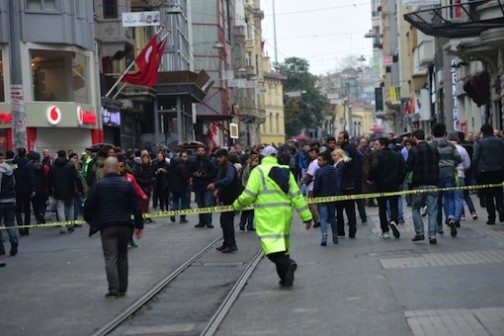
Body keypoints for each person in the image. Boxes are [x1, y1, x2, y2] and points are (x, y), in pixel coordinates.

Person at [233, 145, 312, 287]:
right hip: (285, 215)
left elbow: (249, 195)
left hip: (267, 215)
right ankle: (285, 279)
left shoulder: (258, 171)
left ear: (263, 157)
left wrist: (236, 206)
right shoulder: (286, 171)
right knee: (282, 247)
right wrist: (306, 217)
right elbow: (297, 196)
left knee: (270, 249)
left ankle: (288, 264)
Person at [83, 157, 143, 298]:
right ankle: (123, 288)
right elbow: (136, 206)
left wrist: (91, 221)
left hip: (107, 226)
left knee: (110, 257)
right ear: (118, 168)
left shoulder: (99, 185)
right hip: (124, 225)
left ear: (105, 168)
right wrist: (139, 226)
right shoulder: (126, 184)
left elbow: (89, 205)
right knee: (123, 256)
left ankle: (113, 289)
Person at [406, 130, 440, 244]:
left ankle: (420, 233)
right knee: (432, 210)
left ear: (414, 137)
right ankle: (432, 236)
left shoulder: (413, 150)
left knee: (415, 208)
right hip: (433, 183)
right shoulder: (434, 149)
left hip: (418, 184)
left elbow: (408, 167)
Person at [369, 137, 405, 239]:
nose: (374, 146)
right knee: (394, 205)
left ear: (382, 145)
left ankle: (384, 230)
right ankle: (393, 220)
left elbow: (374, 167)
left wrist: (371, 178)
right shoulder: (397, 154)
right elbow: (403, 169)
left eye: (376, 144)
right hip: (394, 184)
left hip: (381, 185)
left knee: (382, 208)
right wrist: (399, 181)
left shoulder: (378, 155)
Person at [430, 123, 461, 236]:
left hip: (436, 174)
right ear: (445, 133)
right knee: (450, 197)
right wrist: (452, 165)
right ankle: (451, 217)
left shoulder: (430, 146)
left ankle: (439, 226)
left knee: (436, 201)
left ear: (432, 134)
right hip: (449, 172)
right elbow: (459, 159)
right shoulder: (451, 145)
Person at [208, 149, 242, 253]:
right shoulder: (222, 167)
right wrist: (218, 190)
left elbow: (229, 179)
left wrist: (216, 185)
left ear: (226, 157)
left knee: (227, 222)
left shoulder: (229, 167)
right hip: (226, 197)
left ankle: (231, 244)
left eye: (221, 157)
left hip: (231, 198)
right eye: (217, 157)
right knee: (224, 222)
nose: (218, 159)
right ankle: (226, 243)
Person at [473, 124, 504, 224]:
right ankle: (501, 212)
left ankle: (491, 217)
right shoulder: (500, 141)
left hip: (484, 172)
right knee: (499, 192)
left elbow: (475, 158)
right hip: (499, 170)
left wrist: (475, 170)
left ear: (482, 132)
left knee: (488, 195)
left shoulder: (480, 143)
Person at [48, 150, 84, 234]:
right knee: (70, 207)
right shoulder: (70, 165)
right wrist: (80, 189)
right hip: (69, 189)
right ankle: (70, 225)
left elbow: (49, 180)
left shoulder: (53, 166)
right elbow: (77, 178)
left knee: (60, 208)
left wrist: (50, 190)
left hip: (58, 190)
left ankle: (63, 227)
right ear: (65, 156)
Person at [117, 155, 147, 248]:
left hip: (129, 203)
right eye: (118, 166)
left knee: (130, 223)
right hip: (118, 205)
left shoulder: (130, 177)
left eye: (121, 166)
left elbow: (136, 187)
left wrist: (142, 194)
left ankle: (129, 238)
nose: (120, 168)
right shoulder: (114, 178)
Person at [313, 151, 340, 246]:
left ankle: (324, 237)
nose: (318, 162)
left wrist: (314, 195)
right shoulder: (335, 170)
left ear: (325, 161)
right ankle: (335, 236)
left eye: (320, 160)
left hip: (322, 197)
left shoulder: (319, 172)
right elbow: (337, 183)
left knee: (323, 217)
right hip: (332, 196)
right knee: (332, 217)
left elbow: (316, 186)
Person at [332, 149, 358, 238]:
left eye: (335, 155)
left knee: (339, 212)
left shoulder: (339, 165)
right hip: (350, 188)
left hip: (342, 190)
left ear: (340, 155)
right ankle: (352, 231)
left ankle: (341, 231)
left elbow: (338, 178)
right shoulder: (349, 162)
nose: (333, 158)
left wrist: (337, 191)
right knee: (351, 211)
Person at [448, 132, 471, 228]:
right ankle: (457, 218)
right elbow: (468, 164)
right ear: (457, 139)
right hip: (460, 175)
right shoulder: (462, 149)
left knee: (449, 198)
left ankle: (450, 216)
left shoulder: (446, 149)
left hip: (448, 175)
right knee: (459, 198)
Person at [190, 146, 215, 228]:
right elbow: (189, 172)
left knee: (207, 204)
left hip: (207, 186)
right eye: (199, 151)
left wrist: (205, 175)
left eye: (202, 150)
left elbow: (213, 173)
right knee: (200, 205)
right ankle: (201, 221)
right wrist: (194, 174)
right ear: (196, 152)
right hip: (198, 186)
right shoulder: (193, 161)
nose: (200, 152)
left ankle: (209, 221)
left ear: (205, 151)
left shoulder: (209, 161)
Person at [13, 148, 36, 236]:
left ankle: (20, 227)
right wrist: (33, 189)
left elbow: (12, 174)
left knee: (18, 209)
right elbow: (31, 178)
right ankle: (26, 228)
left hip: (17, 188)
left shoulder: (15, 164)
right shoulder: (29, 164)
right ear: (25, 154)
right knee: (27, 209)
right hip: (27, 189)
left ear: (18, 154)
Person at [0, 153, 18, 257]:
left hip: (1, 200)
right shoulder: (9, 170)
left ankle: (1, 248)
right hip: (11, 199)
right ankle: (14, 239)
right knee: (10, 223)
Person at [238, 154, 259, 231]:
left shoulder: (246, 167)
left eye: (257, 161)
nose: (257, 163)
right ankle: (248, 225)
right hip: (248, 190)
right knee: (250, 209)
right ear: (251, 160)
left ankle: (242, 224)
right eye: (255, 161)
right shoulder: (249, 169)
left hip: (246, 190)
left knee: (247, 209)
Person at [301, 147, 320, 227]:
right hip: (314, 184)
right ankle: (316, 220)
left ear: (317, 153)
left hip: (312, 185)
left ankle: (317, 218)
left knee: (311, 204)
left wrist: (301, 182)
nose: (311, 155)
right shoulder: (315, 162)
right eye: (310, 153)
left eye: (313, 153)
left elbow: (309, 175)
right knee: (314, 203)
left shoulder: (315, 163)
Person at [169, 150, 191, 224]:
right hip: (182, 186)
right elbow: (185, 176)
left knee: (175, 201)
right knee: (184, 202)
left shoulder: (172, 165)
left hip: (174, 187)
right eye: (184, 157)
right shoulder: (182, 166)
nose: (186, 158)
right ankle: (182, 218)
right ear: (180, 157)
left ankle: (172, 211)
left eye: (186, 156)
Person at [134, 153, 154, 223]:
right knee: (142, 203)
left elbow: (152, 176)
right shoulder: (139, 167)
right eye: (144, 158)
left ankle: (147, 216)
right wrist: (144, 182)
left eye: (147, 158)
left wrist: (151, 180)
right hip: (142, 187)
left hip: (148, 187)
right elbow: (136, 178)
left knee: (147, 203)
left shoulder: (150, 167)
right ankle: (142, 216)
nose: (146, 160)